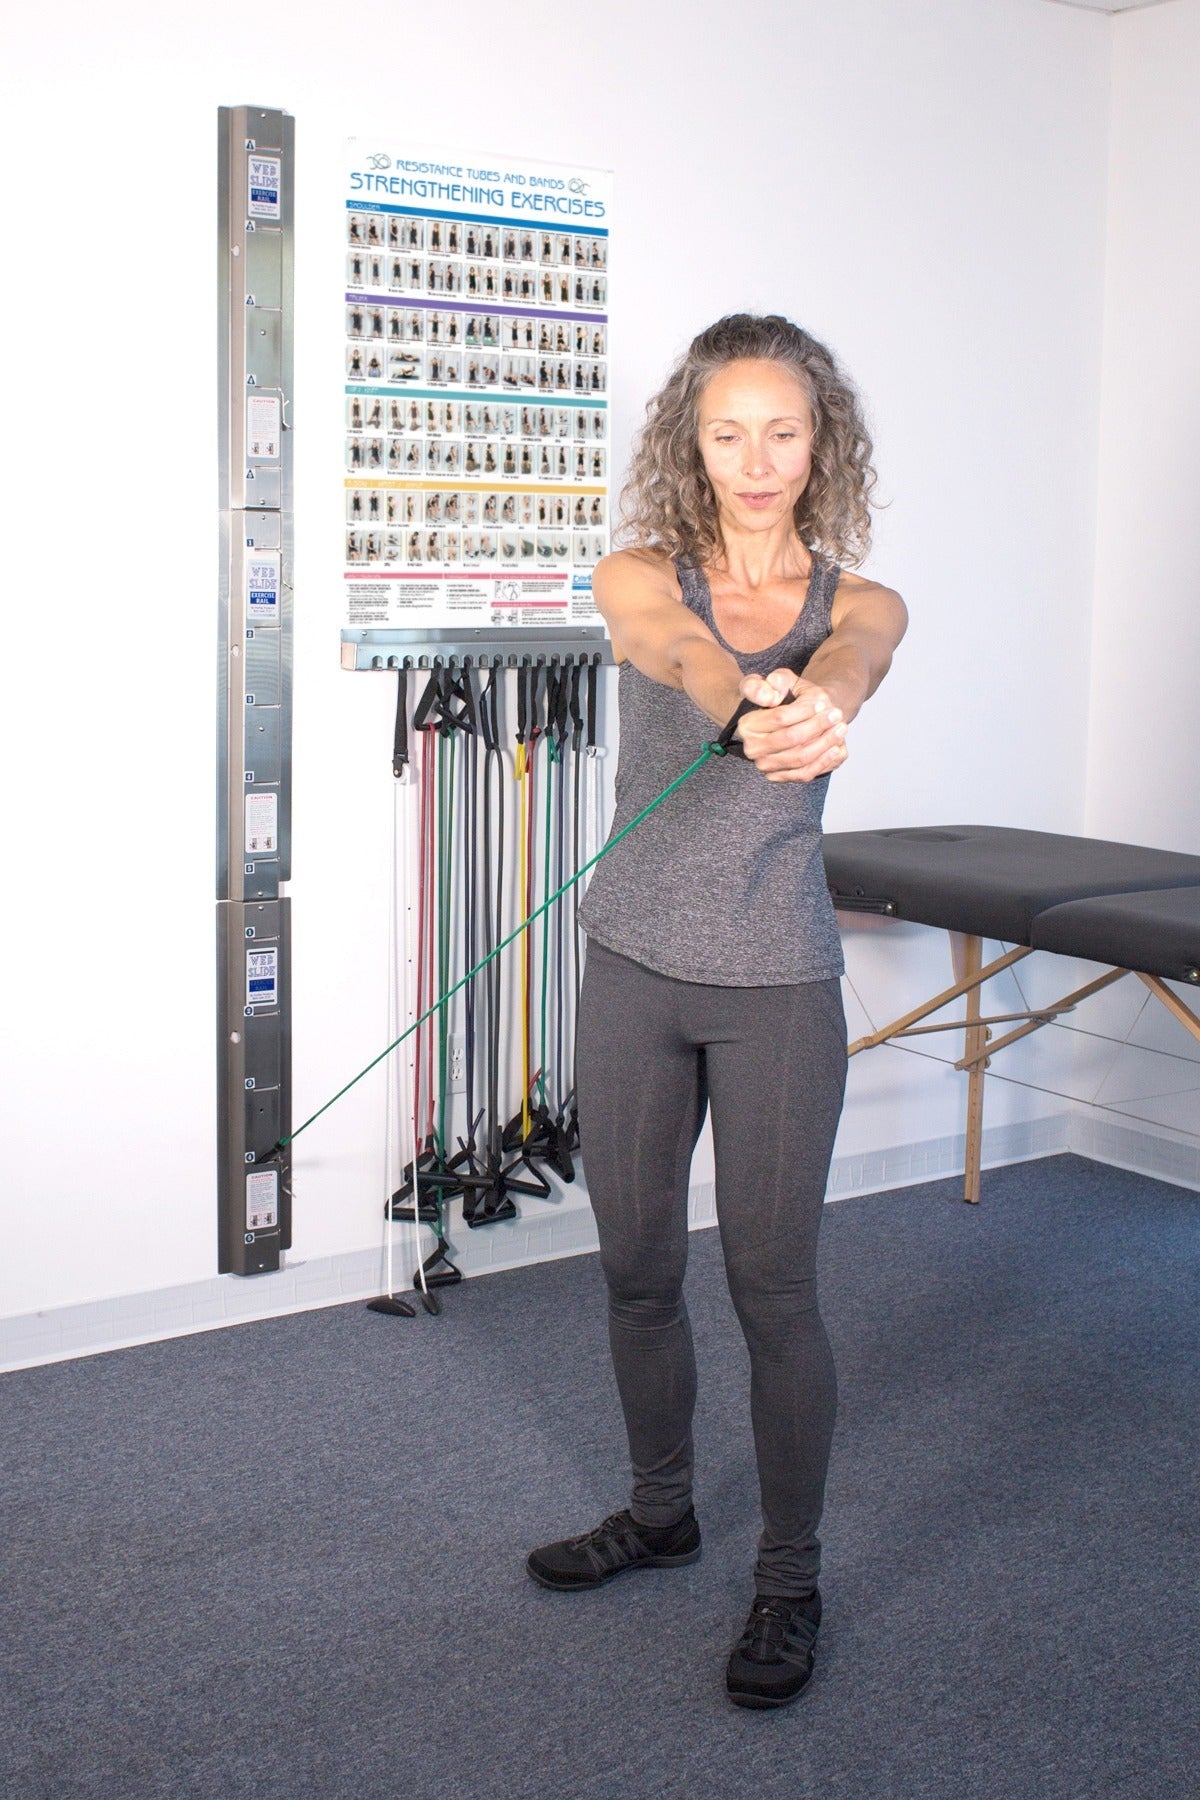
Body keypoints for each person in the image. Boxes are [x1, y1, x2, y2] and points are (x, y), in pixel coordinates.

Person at [525, 314, 907, 1710]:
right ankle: (662, 1508)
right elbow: (671, 647)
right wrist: (738, 699)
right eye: (728, 431)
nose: (757, 460)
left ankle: (791, 1583)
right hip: (633, 965)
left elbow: (856, 660)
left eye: (784, 430)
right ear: (693, 440)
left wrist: (819, 697)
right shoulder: (640, 573)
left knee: (771, 1288)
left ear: (822, 442)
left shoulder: (862, 602)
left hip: (777, 988)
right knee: (633, 1266)